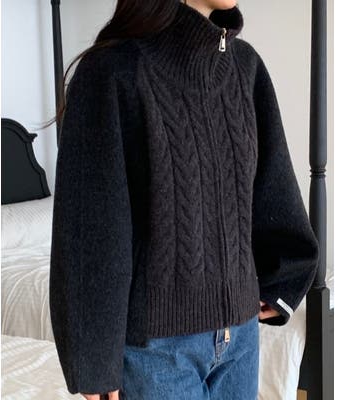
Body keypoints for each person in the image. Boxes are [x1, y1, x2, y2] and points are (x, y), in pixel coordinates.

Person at [49, 0, 320, 399]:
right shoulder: (111, 72)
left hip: (240, 339)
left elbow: (272, 185)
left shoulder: (246, 67)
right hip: (156, 352)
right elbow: (93, 229)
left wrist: (285, 278)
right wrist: (95, 361)